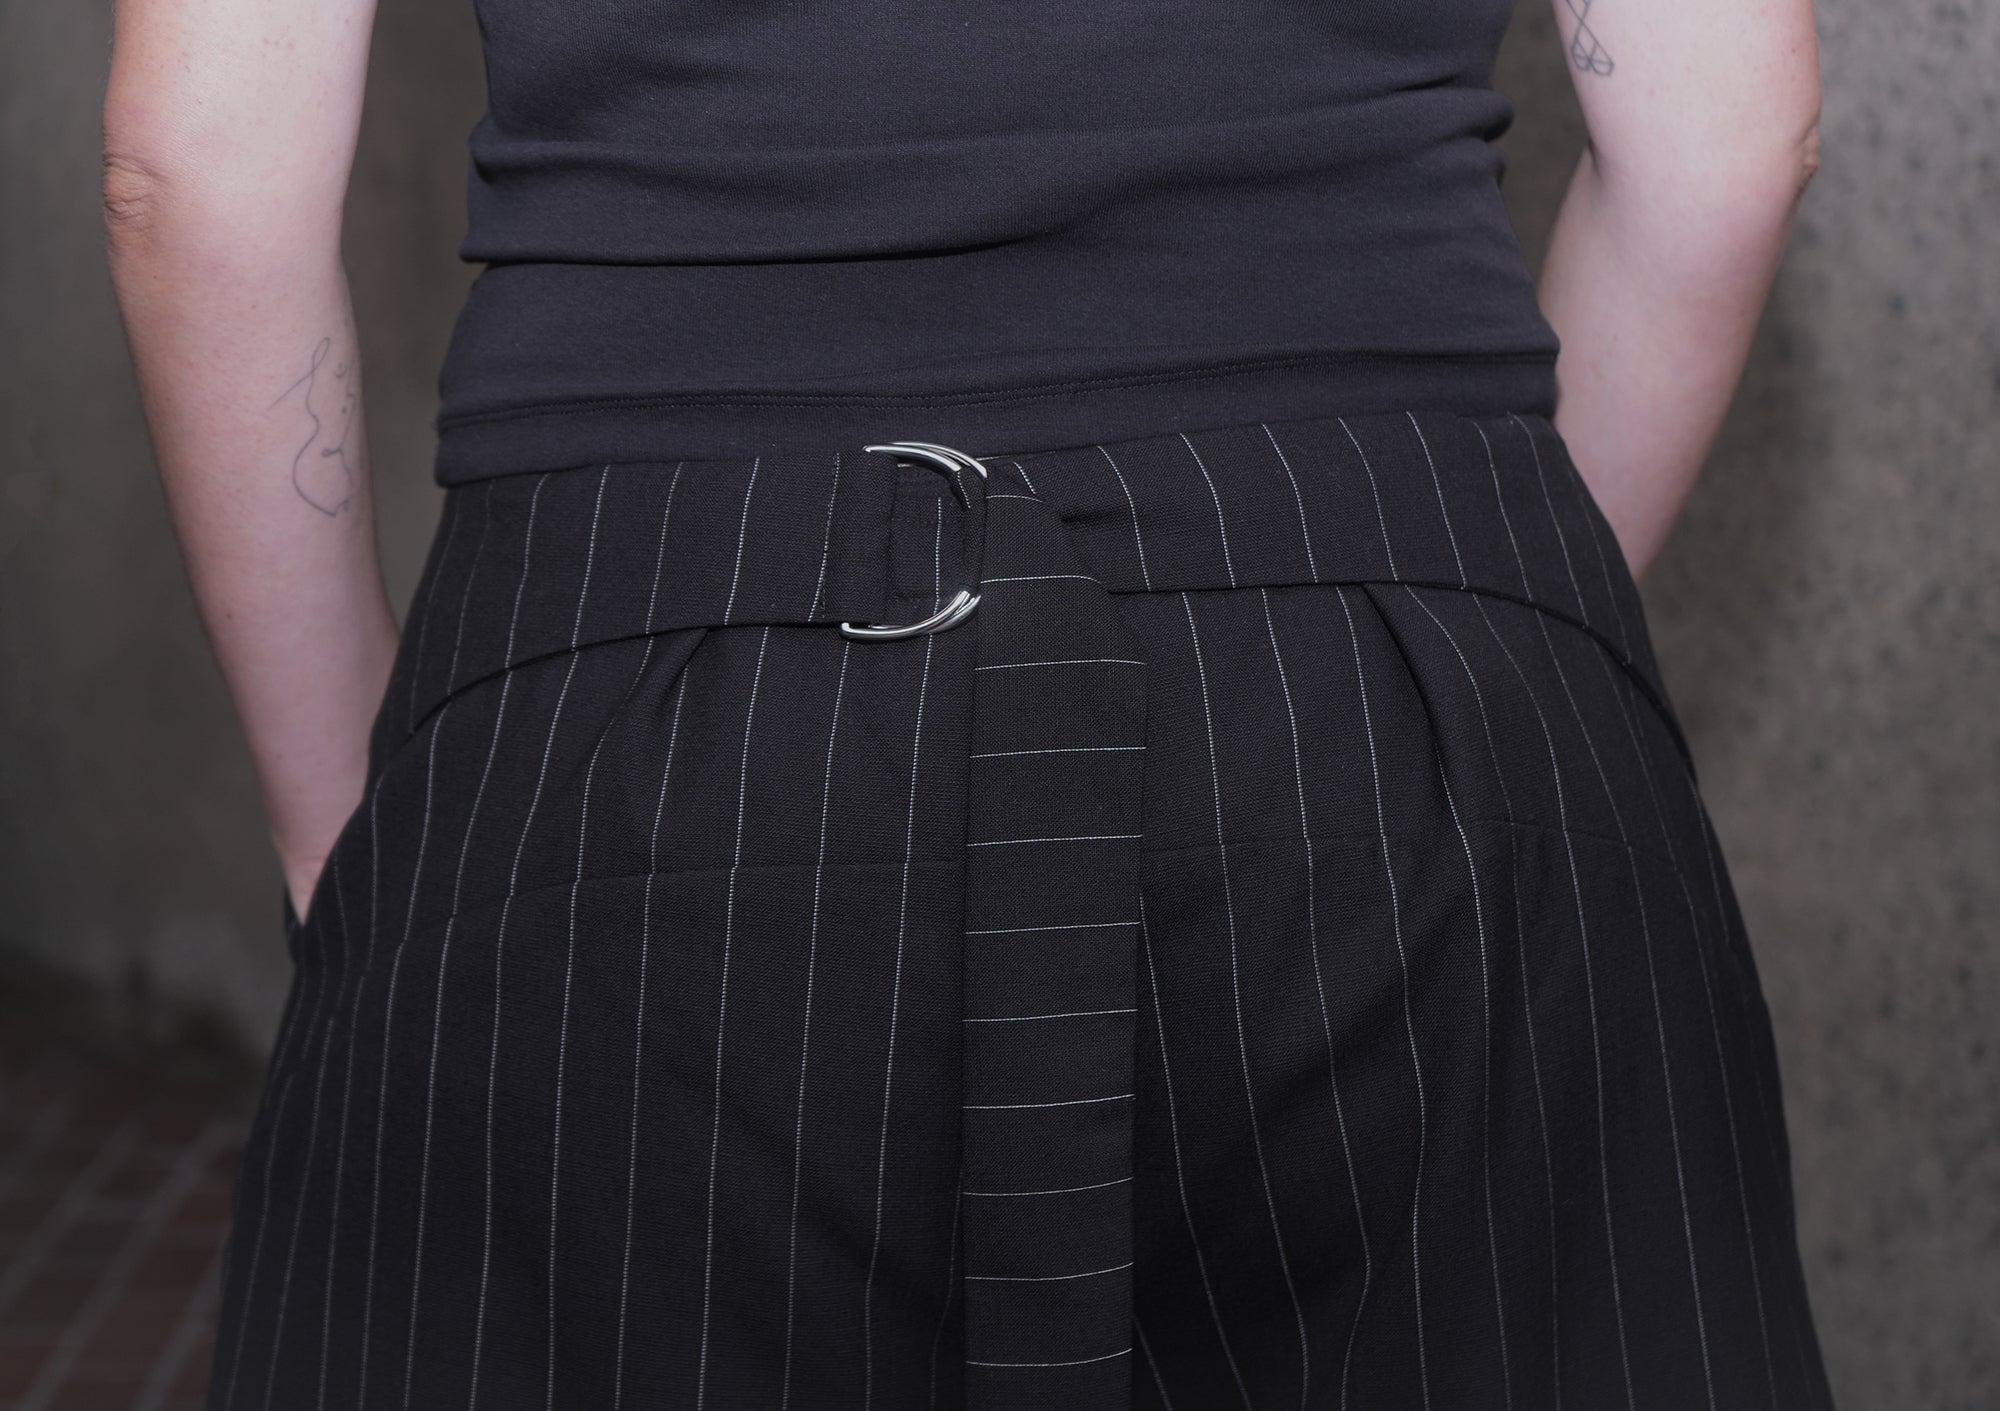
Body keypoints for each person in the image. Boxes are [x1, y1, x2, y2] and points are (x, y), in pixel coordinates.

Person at [102, 0, 1831, 1403]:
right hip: (1409, 668)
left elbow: (197, 173)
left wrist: (350, 833)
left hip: (644, 681)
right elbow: (1721, 156)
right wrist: (1488, 627)